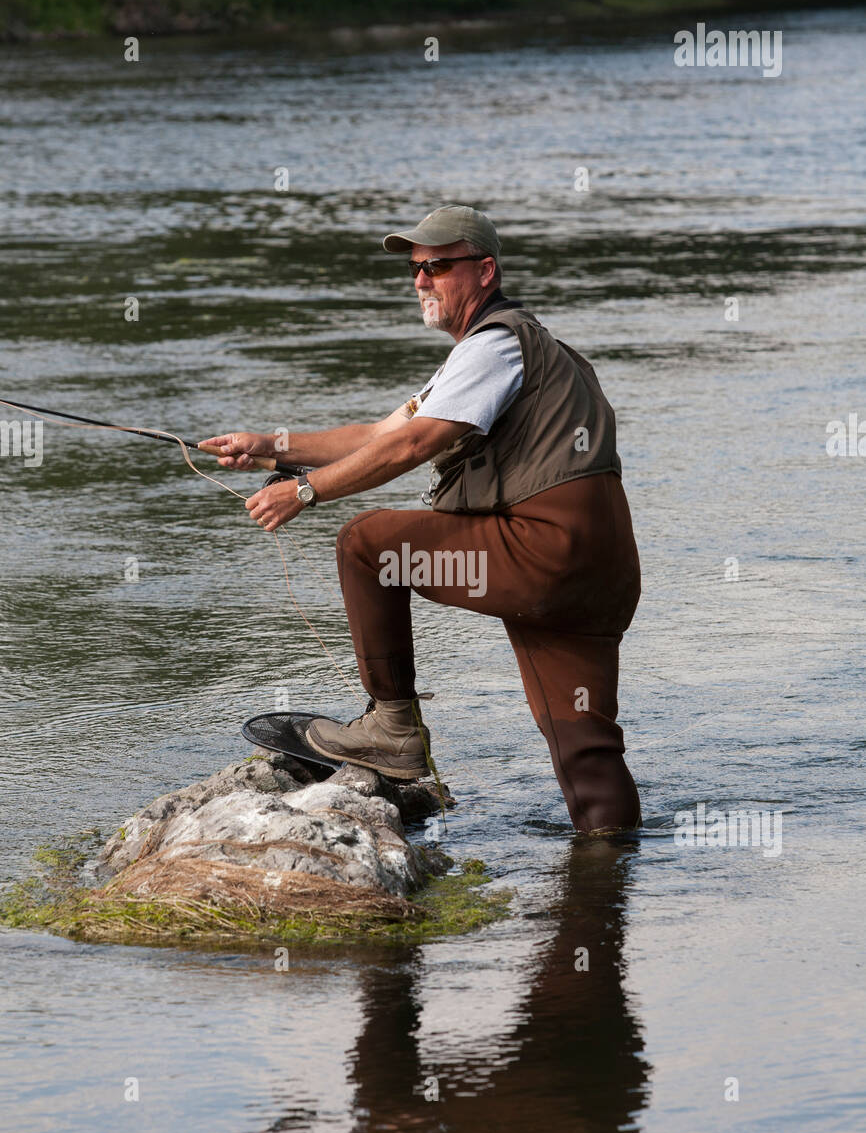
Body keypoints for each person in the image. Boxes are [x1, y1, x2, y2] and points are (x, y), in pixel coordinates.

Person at [199, 205, 642, 833]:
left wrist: (305, 492)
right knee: (586, 752)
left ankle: (392, 728)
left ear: (484, 271)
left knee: (367, 544)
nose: (420, 280)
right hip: (595, 574)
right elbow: (381, 433)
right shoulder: (509, 348)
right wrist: (271, 446)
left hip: (544, 554)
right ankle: (608, 879)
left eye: (437, 265)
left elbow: (413, 445)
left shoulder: (494, 345)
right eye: (415, 268)